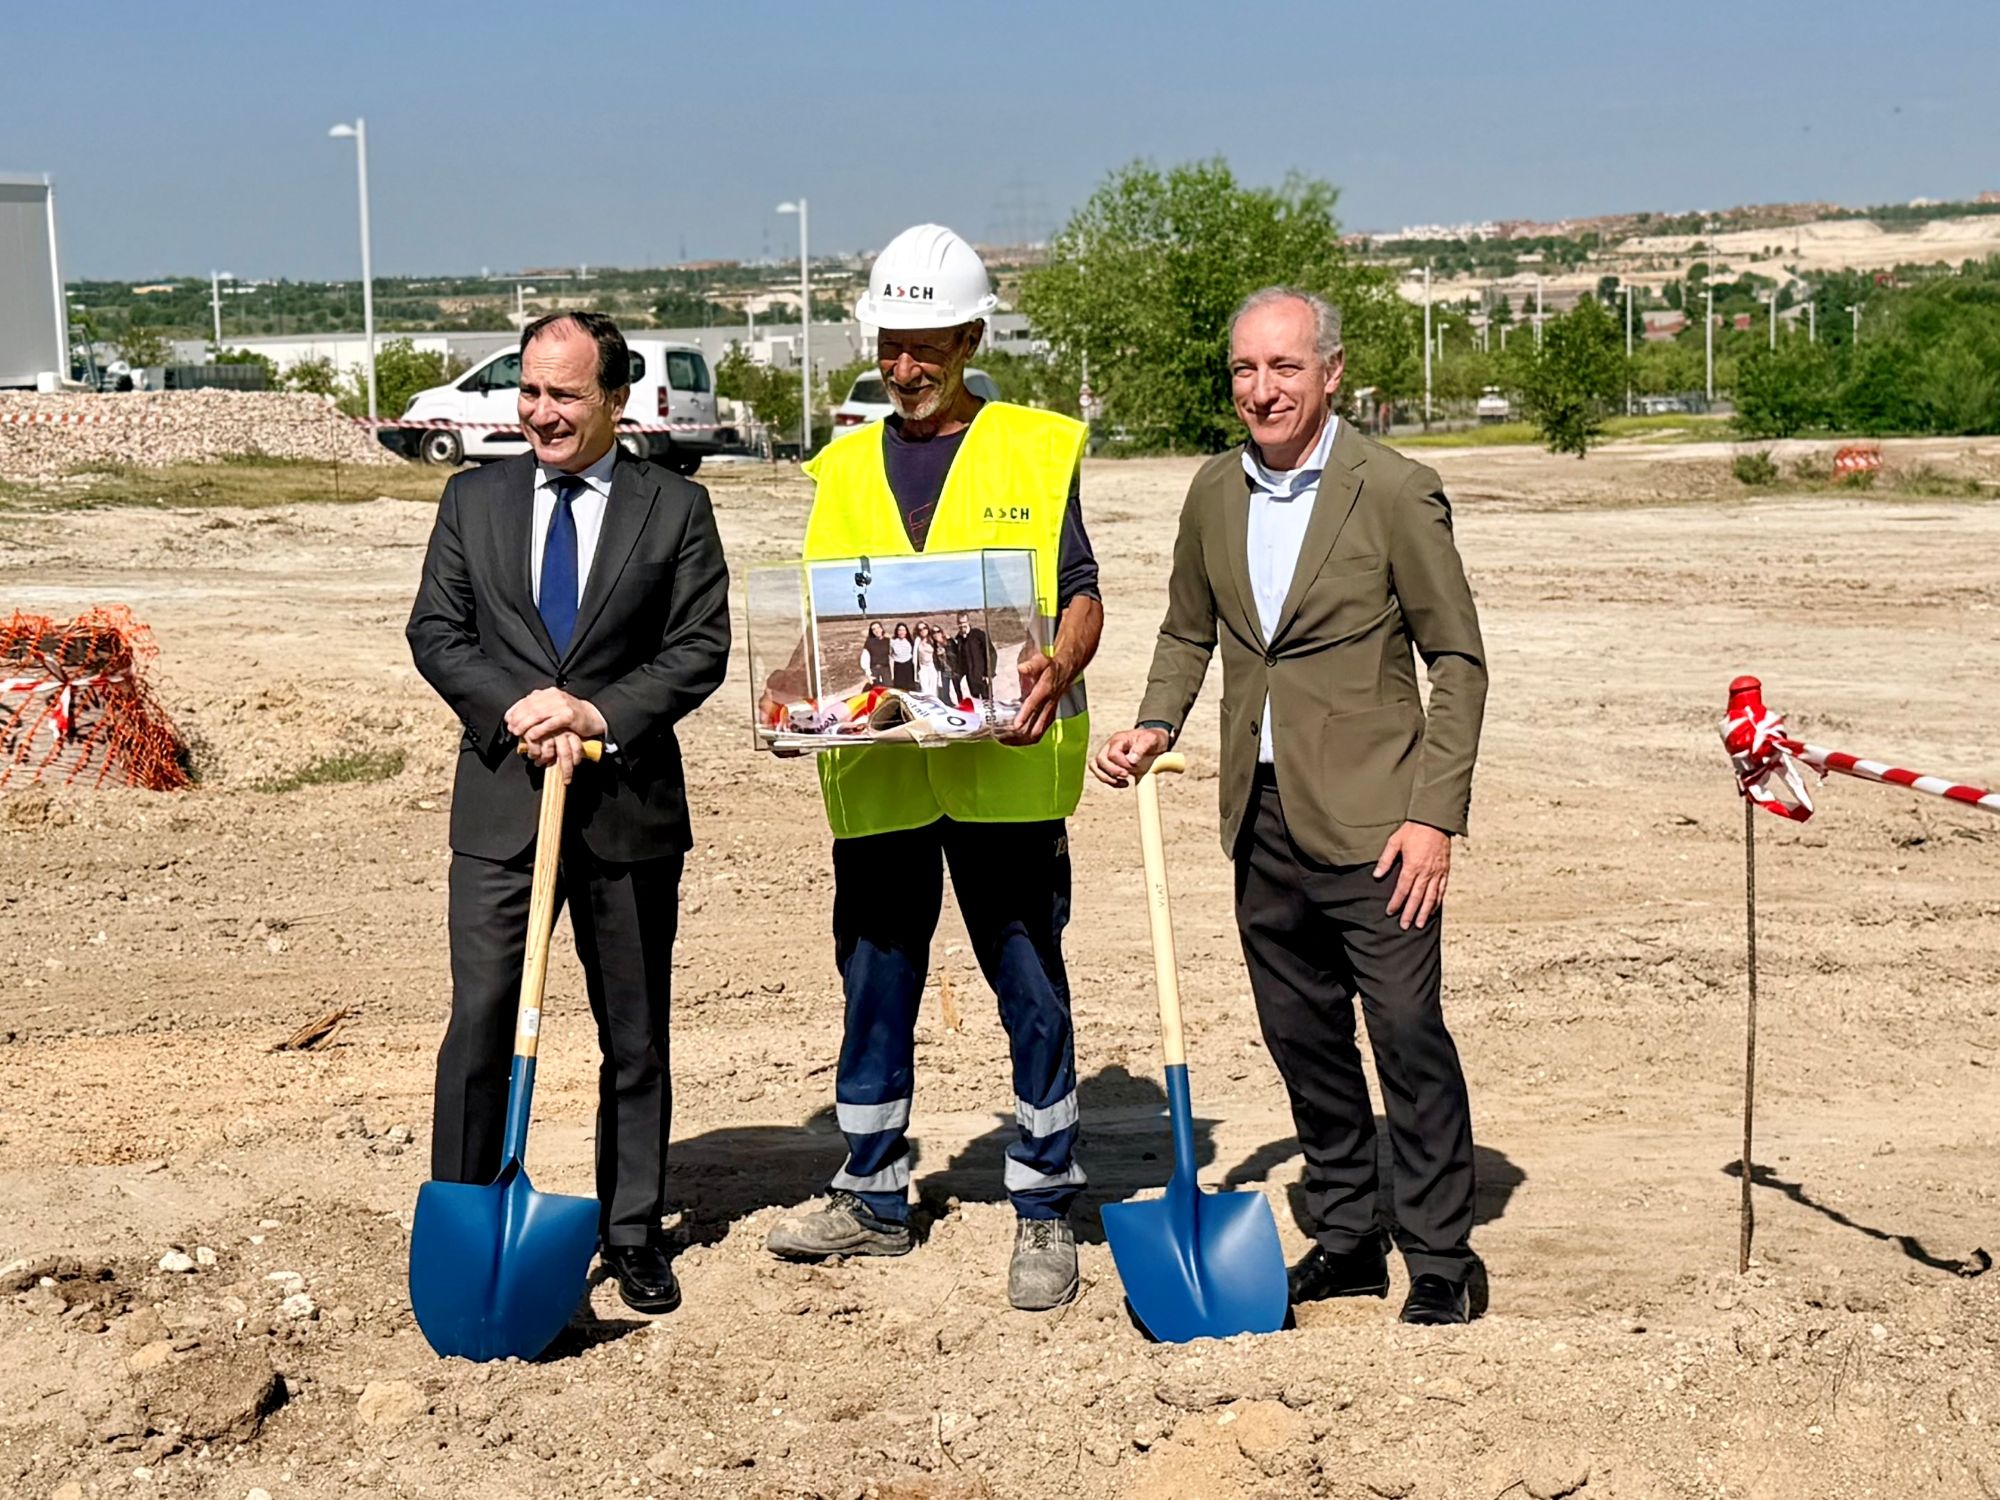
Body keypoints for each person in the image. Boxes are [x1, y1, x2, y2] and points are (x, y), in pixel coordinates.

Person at [1091, 287, 1489, 1327]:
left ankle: (1440, 1256)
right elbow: (1188, 632)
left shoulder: (1394, 490)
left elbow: (1456, 659)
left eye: (1283, 369)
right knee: (1301, 1037)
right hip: (1257, 820)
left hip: (1378, 825)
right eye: (1243, 371)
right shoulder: (1213, 492)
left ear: (1331, 373)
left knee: (1405, 1036)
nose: (1260, 390)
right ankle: (1350, 1236)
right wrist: (1155, 724)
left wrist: (1432, 817)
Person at [763, 224, 1104, 1311]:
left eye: (926, 346)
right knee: (873, 979)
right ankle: (870, 1191)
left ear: (968, 336)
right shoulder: (846, 464)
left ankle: (1043, 1201)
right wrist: (785, 689)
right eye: (889, 347)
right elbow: (828, 614)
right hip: (882, 776)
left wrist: (1058, 659)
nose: (904, 368)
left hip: (1001, 771)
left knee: (1025, 980)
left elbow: (1084, 591)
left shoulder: (1031, 449)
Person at [406, 310, 731, 1317]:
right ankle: (464, 1218)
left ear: (616, 401)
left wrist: (593, 712)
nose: (541, 413)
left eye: (565, 396)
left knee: (631, 1035)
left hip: (625, 810)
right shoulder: (473, 498)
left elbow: (697, 647)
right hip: (503, 805)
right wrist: (518, 709)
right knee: (480, 1022)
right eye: (530, 392)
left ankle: (630, 1229)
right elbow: (438, 631)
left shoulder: (673, 509)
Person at [952, 611, 994, 701]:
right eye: (959, 623)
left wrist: (989, 672)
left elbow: (991, 653)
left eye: (964, 622)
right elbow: (960, 659)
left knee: (988, 700)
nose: (962, 625)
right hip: (970, 677)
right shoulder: (958, 639)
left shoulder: (979, 635)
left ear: (968, 622)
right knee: (976, 701)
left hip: (982, 675)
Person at [860, 621, 891, 687]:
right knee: (876, 691)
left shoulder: (888, 641)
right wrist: (868, 674)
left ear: (882, 629)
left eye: (878, 628)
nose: (877, 630)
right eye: (874, 629)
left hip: (886, 670)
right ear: (872, 632)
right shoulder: (869, 642)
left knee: (888, 690)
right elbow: (865, 658)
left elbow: (892, 656)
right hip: (874, 670)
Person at [915, 623, 941, 699]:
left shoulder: (932, 639)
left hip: (932, 667)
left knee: (933, 691)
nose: (922, 630)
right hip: (922, 668)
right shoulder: (917, 640)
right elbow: (915, 656)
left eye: (924, 628)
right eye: (920, 629)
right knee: (924, 690)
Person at [890, 621, 917, 692]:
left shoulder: (910, 641)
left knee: (910, 687)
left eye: (903, 630)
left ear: (906, 632)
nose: (901, 632)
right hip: (898, 666)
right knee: (899, 688)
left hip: (909, 665)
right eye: (899, 630)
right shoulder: (892, 642)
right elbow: (890, 654)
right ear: (897, 632)